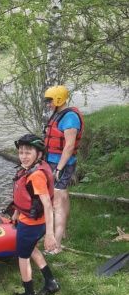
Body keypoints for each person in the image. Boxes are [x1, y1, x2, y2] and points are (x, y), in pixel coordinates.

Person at [11, 134, 60, 295]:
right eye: (21, 152)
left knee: (23, 257)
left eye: (28, 152)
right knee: (32, 249)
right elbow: (27, 196)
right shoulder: (36, 167)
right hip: (31, 219)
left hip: (31, 224)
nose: (23, 156)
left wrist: (50, 234)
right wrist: (17, 212)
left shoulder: (36, 175)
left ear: (38, 154)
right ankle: (51, 282)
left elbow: (47, 205)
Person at [44, 85, 84, 253]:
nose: (48, 104)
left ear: (59, 99)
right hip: (54, 161)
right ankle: (63, 231)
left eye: (50, 101)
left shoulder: (70, 118)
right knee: (64, 195)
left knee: (57, 202)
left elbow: (68, 147)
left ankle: (56, 245)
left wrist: (59, 168)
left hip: (62, 164)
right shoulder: (59, 115)